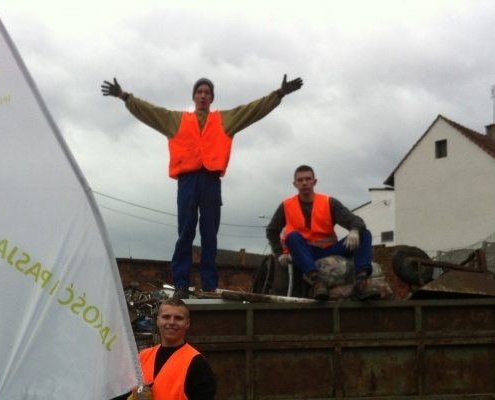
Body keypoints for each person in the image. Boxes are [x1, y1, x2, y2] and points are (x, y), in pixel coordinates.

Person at [101, 75, 303, 298]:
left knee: (209, 234)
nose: (203, 95)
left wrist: (279, 94)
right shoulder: (177, 120)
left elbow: (253, 110)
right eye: (200, 92)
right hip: (188, 181)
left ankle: (209, 285)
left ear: (212, 98)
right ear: (194, 97)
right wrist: (124, 96)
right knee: (185, 232)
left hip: (211, 181)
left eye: (207, 92)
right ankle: (181, 283)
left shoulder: (224, 120)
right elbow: (150, 111)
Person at [265, 164, 379, 301]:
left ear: (315, 182)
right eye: (300, 180)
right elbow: (272, 230)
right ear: (295, 184)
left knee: (364, 233)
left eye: (308, 179)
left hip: (331, 249)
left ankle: (361, 282)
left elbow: (354, 220)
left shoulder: (328, 202)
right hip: (306, 253)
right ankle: (317, 283)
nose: (304, 183)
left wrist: (354, 231)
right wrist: (279, 254)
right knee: (292, 237)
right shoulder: (287, 205)